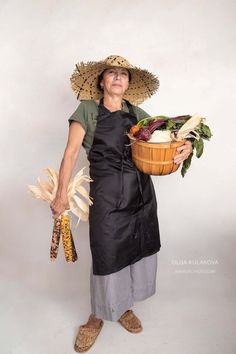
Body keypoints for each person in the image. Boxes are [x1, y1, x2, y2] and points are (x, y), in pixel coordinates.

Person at [50, 55, 192, 352]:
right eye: (112, 73)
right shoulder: (87, 110)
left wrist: (186, 145)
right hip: (106, 194)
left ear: (128, 83)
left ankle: (123, 307)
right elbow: (70, 153)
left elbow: (167, 138)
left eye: (123, 74)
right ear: (102, 81)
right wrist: (60, 193)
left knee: (134, 249)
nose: (118, 78)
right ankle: (97, 315)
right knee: (107, 252)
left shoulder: (137, 112)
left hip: (140, 194)